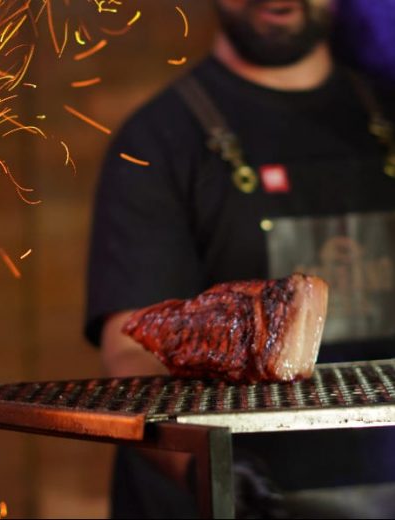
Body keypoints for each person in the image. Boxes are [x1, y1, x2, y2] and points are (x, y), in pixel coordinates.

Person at [84, 0, 395, 517]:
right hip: (222, 496)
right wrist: (210, 471)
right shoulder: (160, 139)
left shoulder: (386, 113)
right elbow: (131, 349)